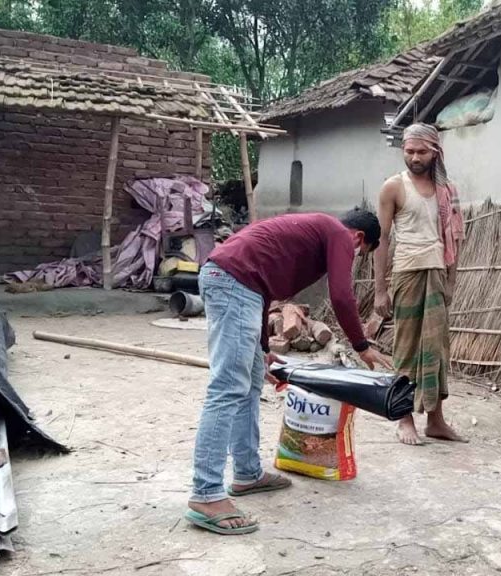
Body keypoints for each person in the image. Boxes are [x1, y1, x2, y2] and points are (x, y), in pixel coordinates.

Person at [185, 209, 392, 535]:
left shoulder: (310, 231)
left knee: (250, 383)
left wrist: (264, 349)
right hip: (234, 283)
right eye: (360, 254)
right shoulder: (339, 233)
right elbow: (341, 294)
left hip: (240, 284)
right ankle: (206, 494)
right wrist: (361, 344)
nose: (353, 257)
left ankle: (247, 473)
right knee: (227, 388)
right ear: (360, 238)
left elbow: (265, 290)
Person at [374, 123, 466, 446]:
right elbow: (381, 240)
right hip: (407, 273)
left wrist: (451, 280)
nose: (414, 157)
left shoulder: (447, 191)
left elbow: (453, 238)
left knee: (437, 349)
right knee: (407, 347)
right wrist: (381, 289)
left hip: (437, 273)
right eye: (409, 151)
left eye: (421, 151)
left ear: (435, 153)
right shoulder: (393, 188)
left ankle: (436, 420)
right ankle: (404, 418)